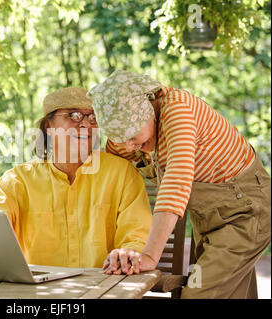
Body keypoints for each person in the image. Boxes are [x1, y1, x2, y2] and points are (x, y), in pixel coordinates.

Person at [87, 69, 271, 298]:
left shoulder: (178, 112)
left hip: (246, 212)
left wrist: (150, 257)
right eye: (119, 138)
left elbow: (176, 181)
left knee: (198, 294)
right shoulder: (130, 137)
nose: (129, 146)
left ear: (149, 112)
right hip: (209, 221)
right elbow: (110, 178)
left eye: (132, 135)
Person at [0, 87, 152, 269]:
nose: (85, 125)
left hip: (105, 288)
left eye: (93, 117)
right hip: (36, 294)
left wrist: (129, 252)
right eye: (74, 115)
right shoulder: (17, 181)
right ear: (48, 126)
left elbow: (136, 237)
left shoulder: (121, 174)